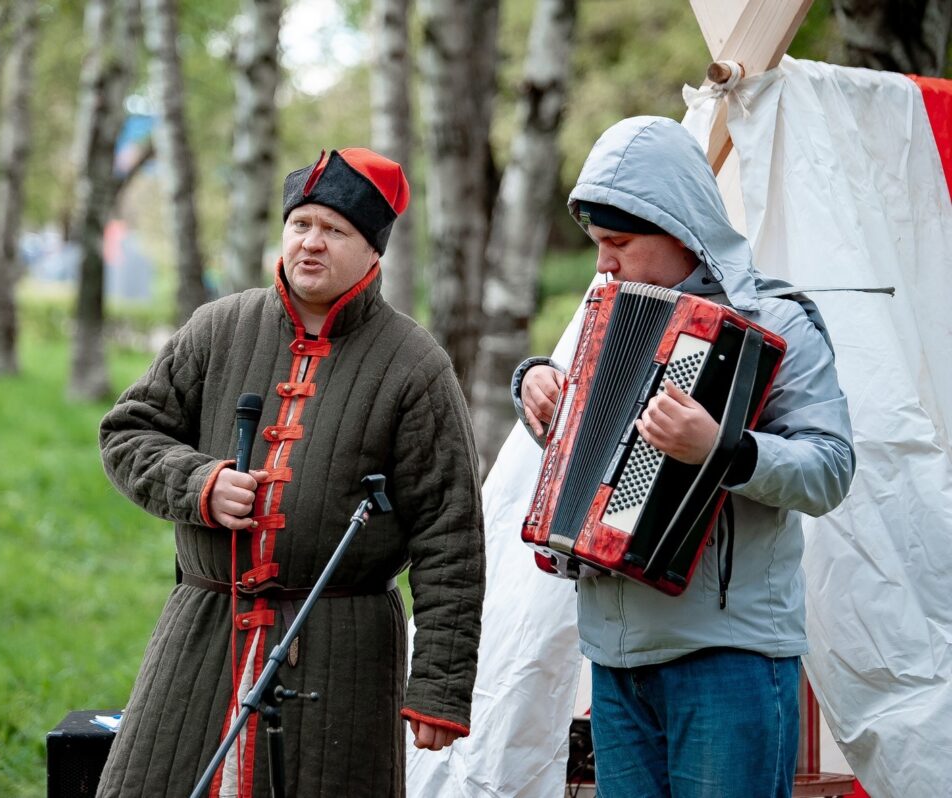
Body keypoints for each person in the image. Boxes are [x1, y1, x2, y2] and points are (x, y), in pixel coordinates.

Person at [95, 147, 485, 798]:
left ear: (372, 252)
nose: (311, 243)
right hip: (204, 630)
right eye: (301, 224)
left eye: (335, 231)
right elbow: (126, 431)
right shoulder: (218, 327)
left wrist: (440, 687)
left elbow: (452, 537)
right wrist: (201, 484)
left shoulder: (415, 366)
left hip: (344, 647)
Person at [513, 117, 855, 797]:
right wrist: (536, 388)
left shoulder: (776, 322)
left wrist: (723, 450)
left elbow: (829, 469)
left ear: (680, 230)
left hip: (729, 656)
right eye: (596, 244)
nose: (603, 263)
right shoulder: (609, 312)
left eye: (619, 242)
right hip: (614, 655)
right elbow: (590, 453)